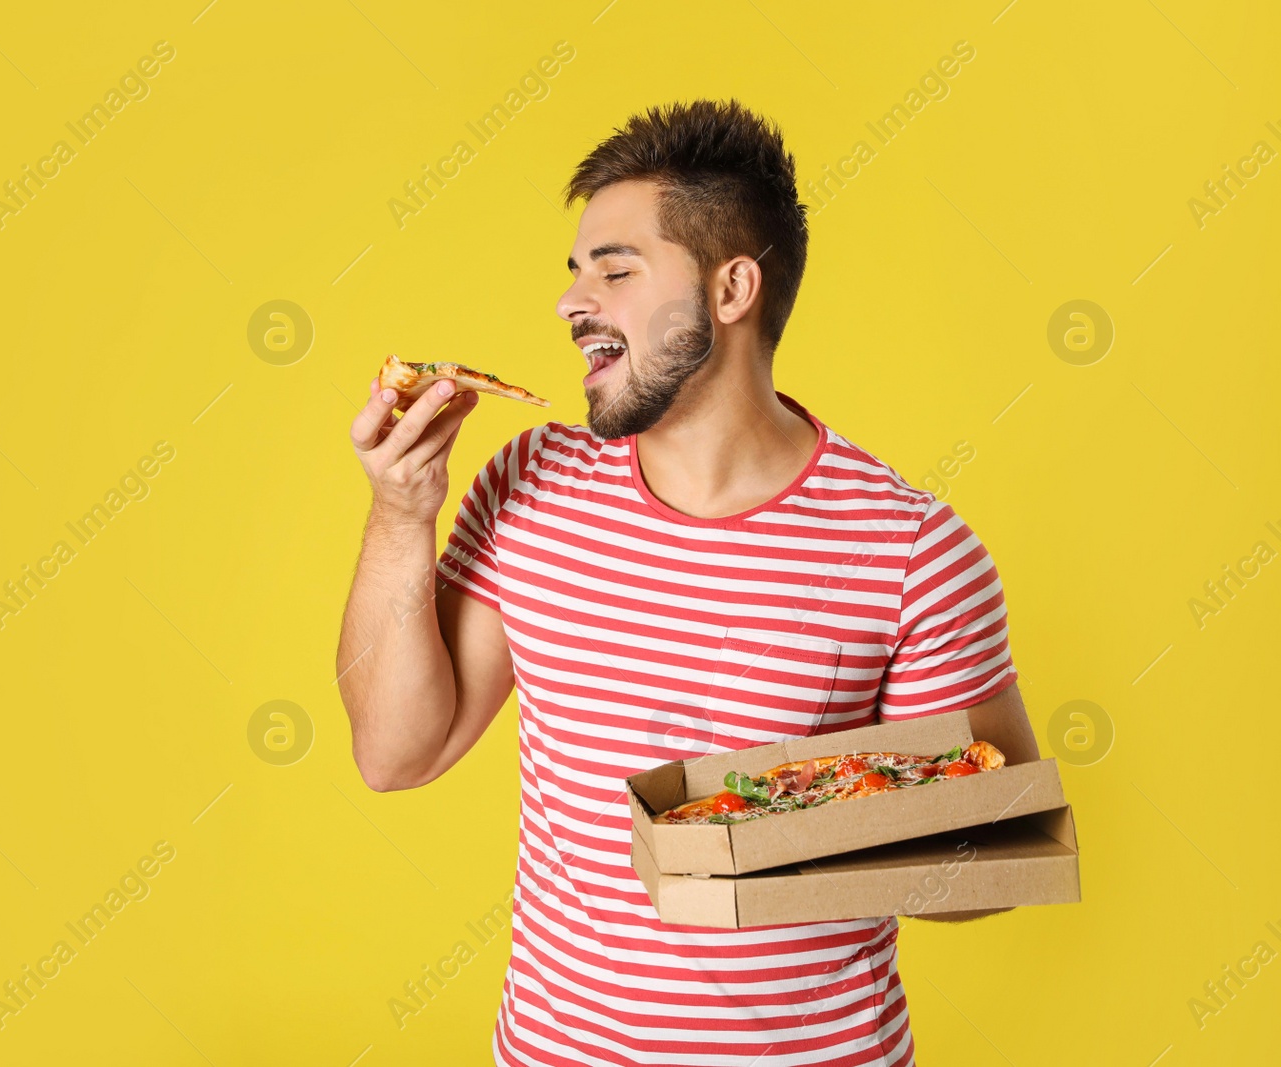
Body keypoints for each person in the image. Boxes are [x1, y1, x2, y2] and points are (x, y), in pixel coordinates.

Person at [339, 98, 1021, 1067]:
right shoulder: (529, 483)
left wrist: (748, 819)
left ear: (731, 286)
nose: (575, 302)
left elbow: (989, 857)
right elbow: (395, 752)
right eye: (574, 273)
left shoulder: (910, 548)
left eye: (614, 271)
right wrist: (401, 511)